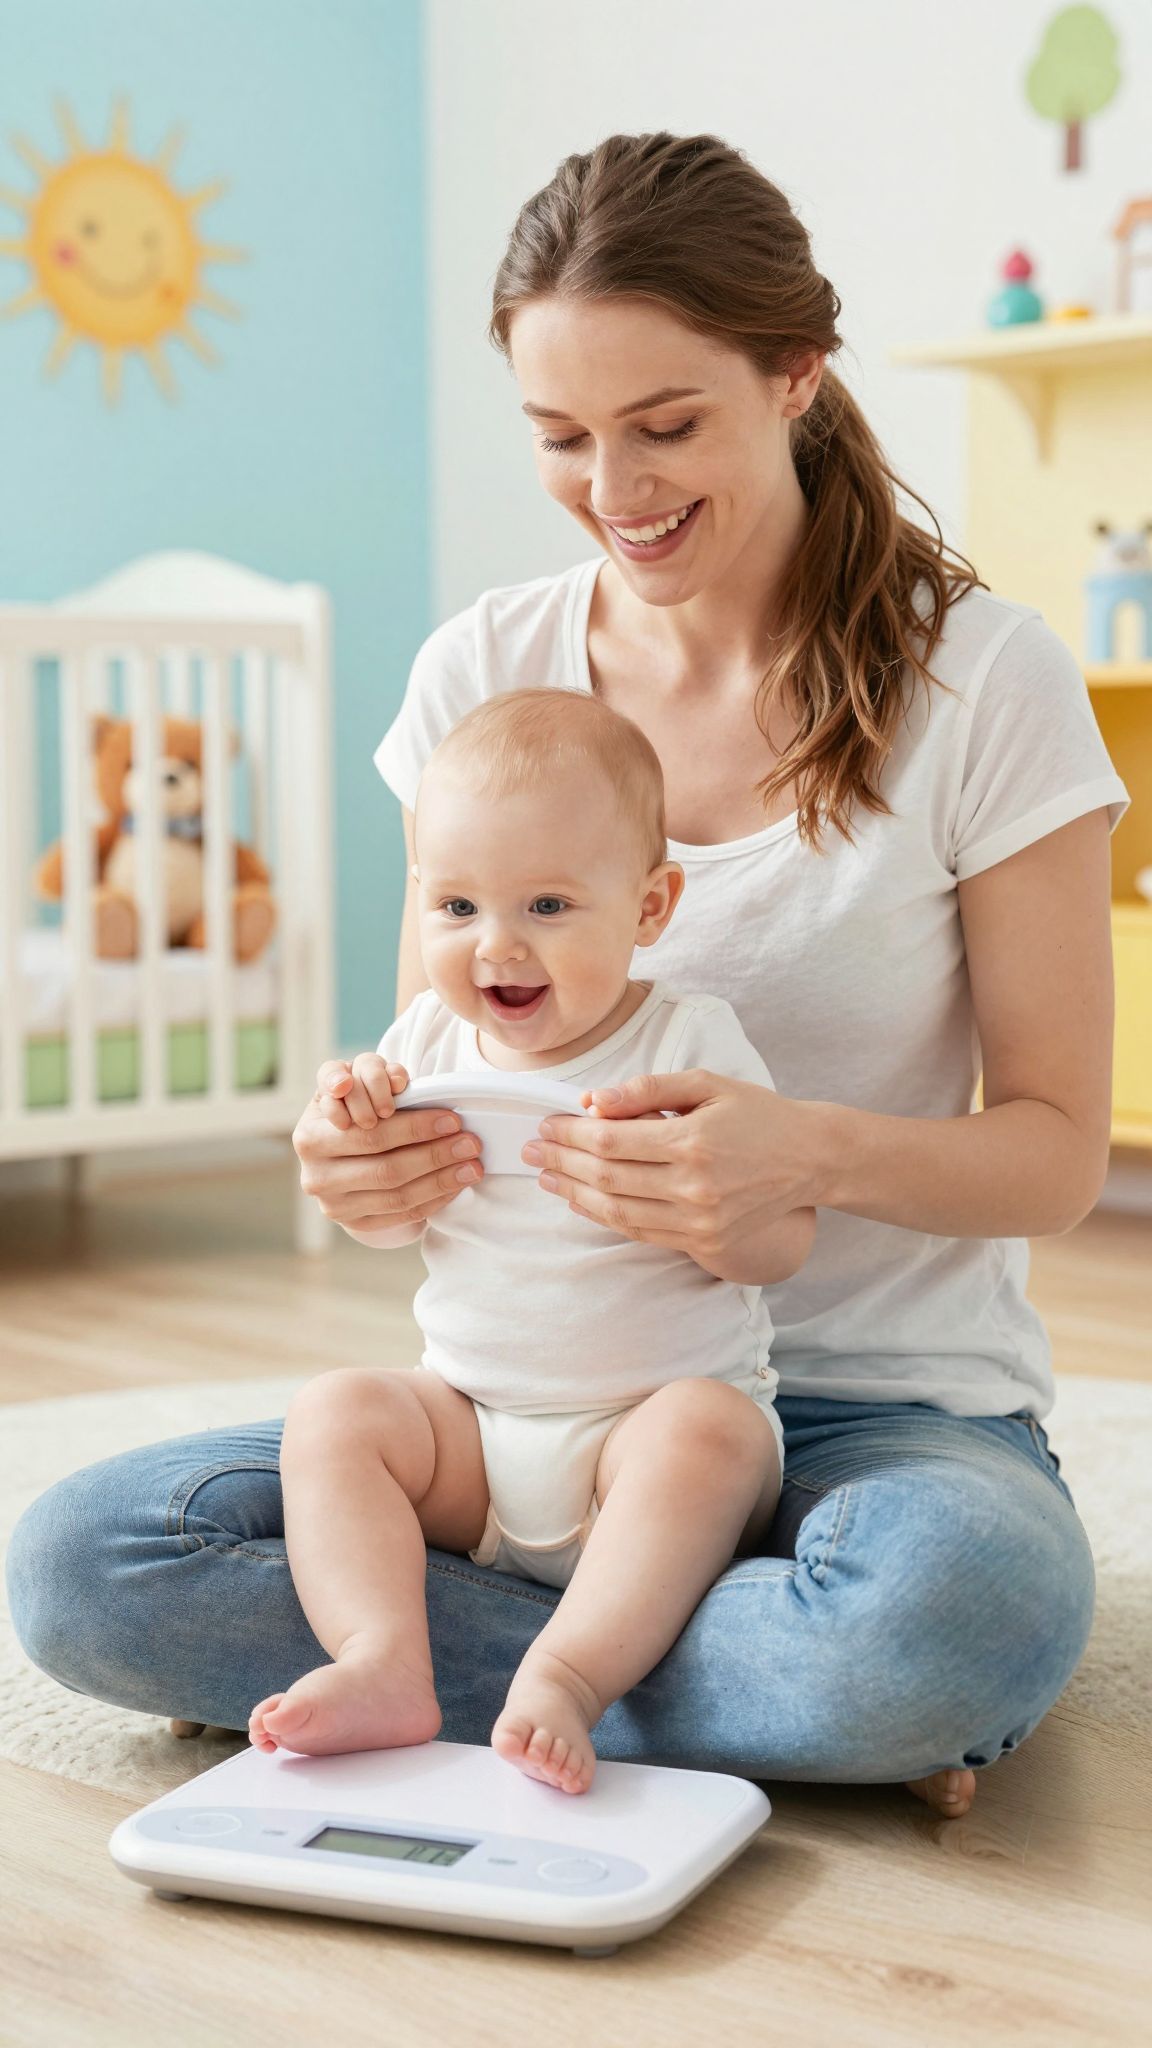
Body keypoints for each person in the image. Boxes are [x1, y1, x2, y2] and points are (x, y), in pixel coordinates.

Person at [6, 131, 1127, 1820]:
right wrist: (362, 1157)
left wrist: (801, 1149)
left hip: (870, 1419)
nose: (614, 484)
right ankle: (721, 1684)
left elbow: (1052, 1150)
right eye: (558, 435)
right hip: (513, 1402)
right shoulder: (486, 671)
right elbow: (437, 1048)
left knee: (953, 1609)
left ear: (795, 374)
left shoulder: (982, 680)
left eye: (665, 425)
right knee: (79, 1566)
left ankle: (685, 1665)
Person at [247, 689, 812, 1793]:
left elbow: (781, 1241)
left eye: (548, 903)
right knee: (334, 1411)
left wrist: (708, 1207)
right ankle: (385, 1657)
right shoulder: (424, 1040)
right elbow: (392, 1214)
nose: (495, 944)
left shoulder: (689, 1040)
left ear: (650, 906)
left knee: (710, 1430)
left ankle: (568, 1672)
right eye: (456, 904)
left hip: (636, 1441)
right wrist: (355, 1133)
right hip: (473, 1431)